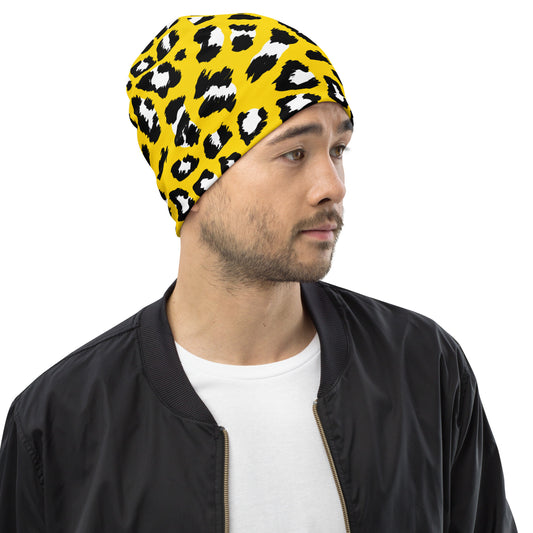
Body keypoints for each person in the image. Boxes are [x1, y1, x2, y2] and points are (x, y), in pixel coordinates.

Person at [0, 12, 517, 533]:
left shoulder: (422, 367)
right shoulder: (60, 421)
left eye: (338, 149)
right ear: (193, 180)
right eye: (294, 153)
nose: (333, 185)